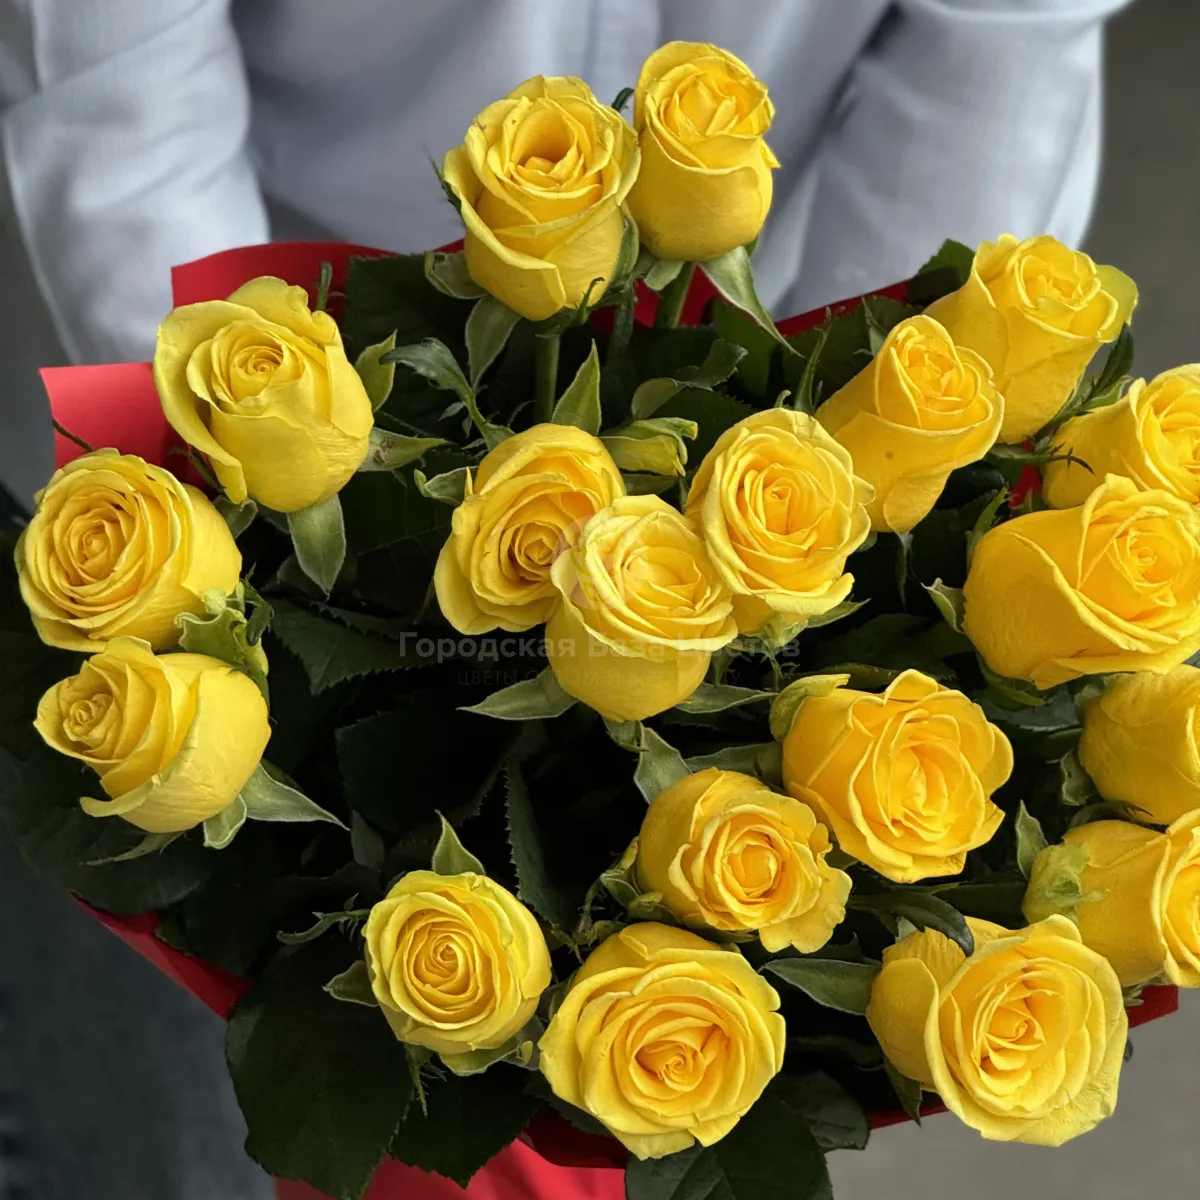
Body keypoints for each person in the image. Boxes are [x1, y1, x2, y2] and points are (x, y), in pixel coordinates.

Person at [0, 1, 1132, 1195]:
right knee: (144, 1130)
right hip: (216, 405)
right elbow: (119, 81)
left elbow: (998, 44)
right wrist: (243, 460)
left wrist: (841, 445)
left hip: (726, 361)